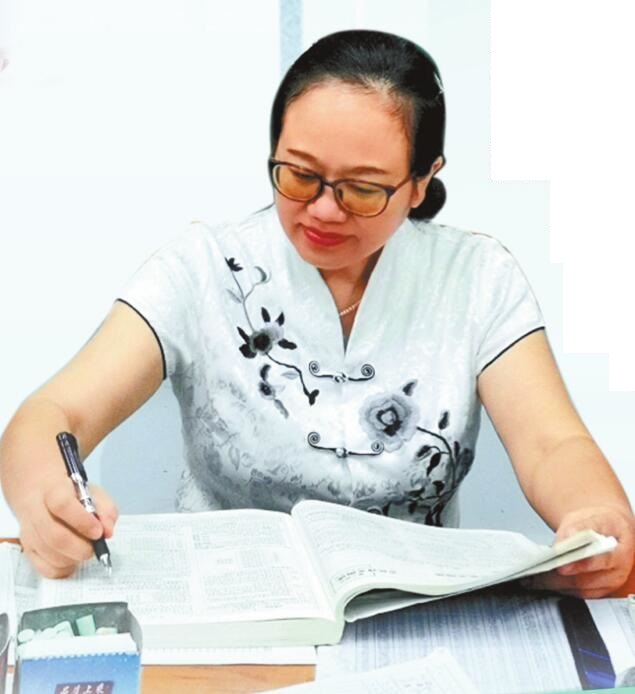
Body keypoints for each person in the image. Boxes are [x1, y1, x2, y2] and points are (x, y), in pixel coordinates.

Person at [0, 30, 633, 596]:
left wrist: (594, 515)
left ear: (421, 181)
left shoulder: (476, 278)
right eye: (300, 175)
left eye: (363, 188)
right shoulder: (202, 268)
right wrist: (44, 499)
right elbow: (54, 413)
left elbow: (552, 444)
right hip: (231, 611)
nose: (325, 210)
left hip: (413, 614)